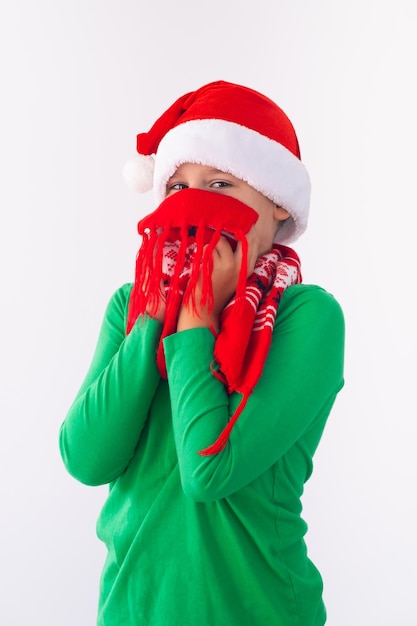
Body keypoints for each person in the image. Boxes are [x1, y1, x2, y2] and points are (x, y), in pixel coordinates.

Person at [59, 80, 345, 625]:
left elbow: (209, 472)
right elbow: (85, 457)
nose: (195, 203)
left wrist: (195, 314)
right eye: (178, 187)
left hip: (259, 611)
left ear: (277, 204)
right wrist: (152, 315)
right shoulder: (131, 305)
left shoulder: (306, 318)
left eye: (220, 183)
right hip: (133, 607)